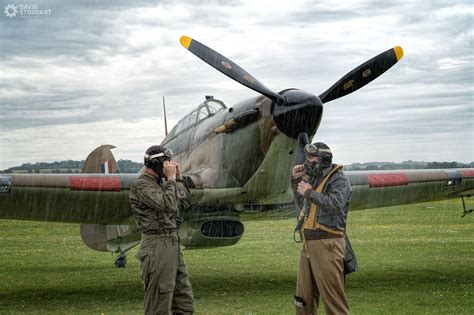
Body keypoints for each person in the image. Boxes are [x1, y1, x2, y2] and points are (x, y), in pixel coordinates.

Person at [129, 145, 195, 315]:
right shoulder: (141, 185)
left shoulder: (162, 184)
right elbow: (168, 204)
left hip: (172, 242)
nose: (169, 165)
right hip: (156, 245)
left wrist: (178, 178)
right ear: (158, 164)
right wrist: (171, 180)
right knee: (160, 301)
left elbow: (185, 202)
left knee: (184, 300)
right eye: (167, 162)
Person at [292, 142, 351, 315]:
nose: (307, 161)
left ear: (324, 159)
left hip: (328, 244)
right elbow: (300, 202)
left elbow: (335, 205)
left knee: (333, 300)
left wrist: (310, 192)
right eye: (307, 158)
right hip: (308, 244)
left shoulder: (339, 179)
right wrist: (296, 180)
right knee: (303, 299)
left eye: (311, 157)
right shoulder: (313, 178)